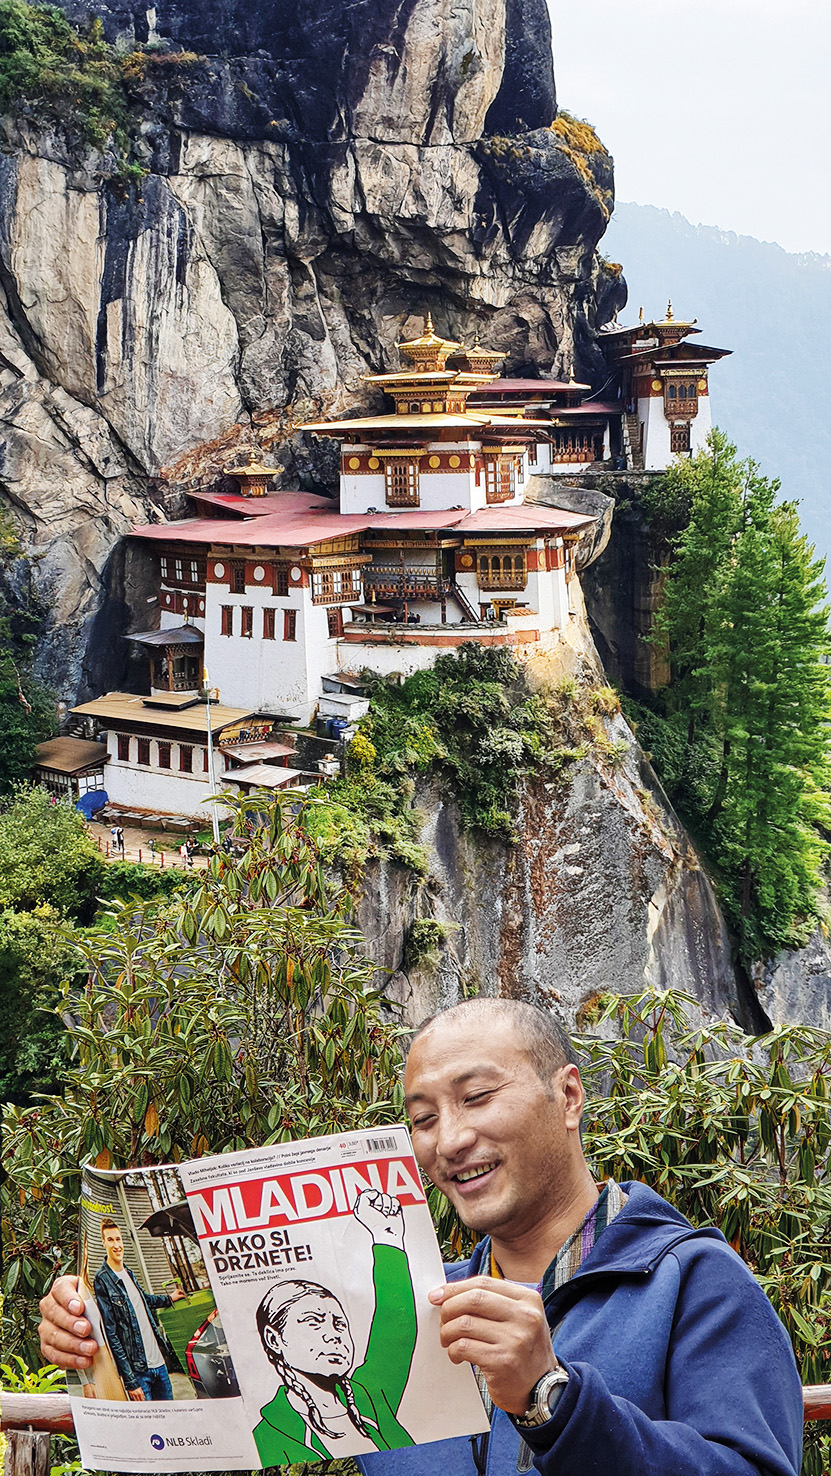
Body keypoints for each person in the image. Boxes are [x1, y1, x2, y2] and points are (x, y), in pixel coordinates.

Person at [38, 999, 803, 1476]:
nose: (449, 1139)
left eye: (477, 1097)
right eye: (423, 1118)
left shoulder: (692, 1282)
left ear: (567, 1096)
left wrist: (552, 1398)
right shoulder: (412, 1308)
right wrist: (97, 1333)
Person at [254, 1189, 417, 1465]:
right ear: (274, 1339)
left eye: (339, 1324)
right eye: (313, 1322)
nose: (333, 1336)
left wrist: (386, 1236)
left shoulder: (369, 1397)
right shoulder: (268, 1436)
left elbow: (396, 1326)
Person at [92, 1219, 186, 1401]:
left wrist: (169, 1298)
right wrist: (130, 1381)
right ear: (103, 1243)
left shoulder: (129, 1273)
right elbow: (111, 1334)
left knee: (170, 1415)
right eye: (110, 1240)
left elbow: (144, 1300)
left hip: (159, 1365)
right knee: (148, 1419)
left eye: (118, 1239)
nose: (116, 1245)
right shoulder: (102, 1279)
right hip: (139, 1372)